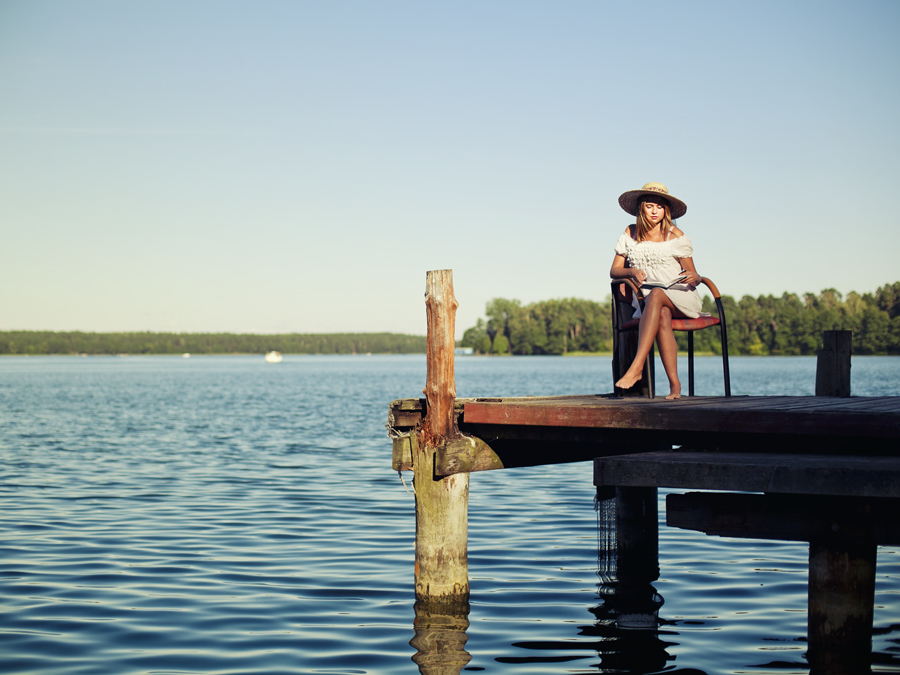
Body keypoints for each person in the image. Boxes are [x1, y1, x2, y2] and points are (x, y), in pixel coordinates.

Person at [610, 182, 702, 400]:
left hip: (680, 295)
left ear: (665, 210)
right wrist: (631, 271)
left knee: (658, 294)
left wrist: (696, 278)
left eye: (659, 207)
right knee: (660, 311)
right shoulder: (630, 232)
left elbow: (694, 276)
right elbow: (614, 270)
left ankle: (637, 366)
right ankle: (675, 387)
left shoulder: (675, 234)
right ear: (641, 208)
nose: (654, 211)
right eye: (649, 206)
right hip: (650, 302)